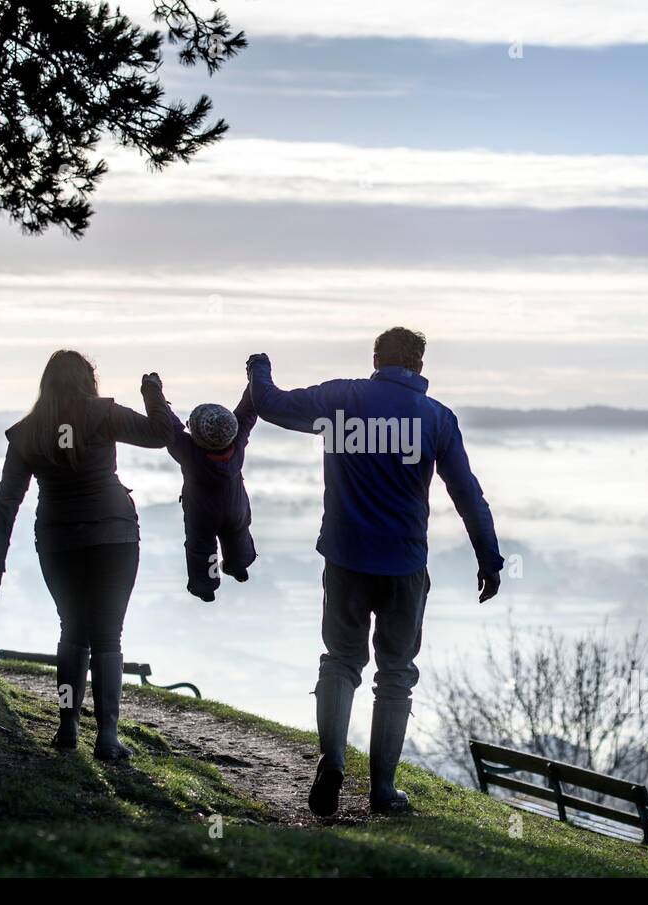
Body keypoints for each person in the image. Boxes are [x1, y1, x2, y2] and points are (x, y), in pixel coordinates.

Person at [246, 327, 503, 817]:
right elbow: (467, 494)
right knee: (395, 676)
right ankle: (382, 791)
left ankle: (333, 760)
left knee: (341, 661)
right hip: (404, 564)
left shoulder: (341, 398)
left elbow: (271, 404)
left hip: (345, 558)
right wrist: (489, 559)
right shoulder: (437, 419)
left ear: (376, 358)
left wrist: (259, 366)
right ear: (420, 366)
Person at [0, 351, 173, 760]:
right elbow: (162, 433)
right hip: (113, 536)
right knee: (108, 634)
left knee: (72, 629)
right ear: (89, 380)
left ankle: (67, 727)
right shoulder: (103, 415)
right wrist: (153, 392)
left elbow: (7, 501)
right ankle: (107, 737)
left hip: (58, 540)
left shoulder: (27, 433)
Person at [145, 374, 259, 602]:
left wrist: (152, 391)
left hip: (202, 515)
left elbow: (169, 424)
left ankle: (206, 587)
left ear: (195, 435)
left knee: (202, 550)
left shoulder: (188, 451)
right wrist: (257, 374)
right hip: (235, 507)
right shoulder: (237, 442)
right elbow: (248, 408)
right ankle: (238, 566)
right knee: (238, 535)